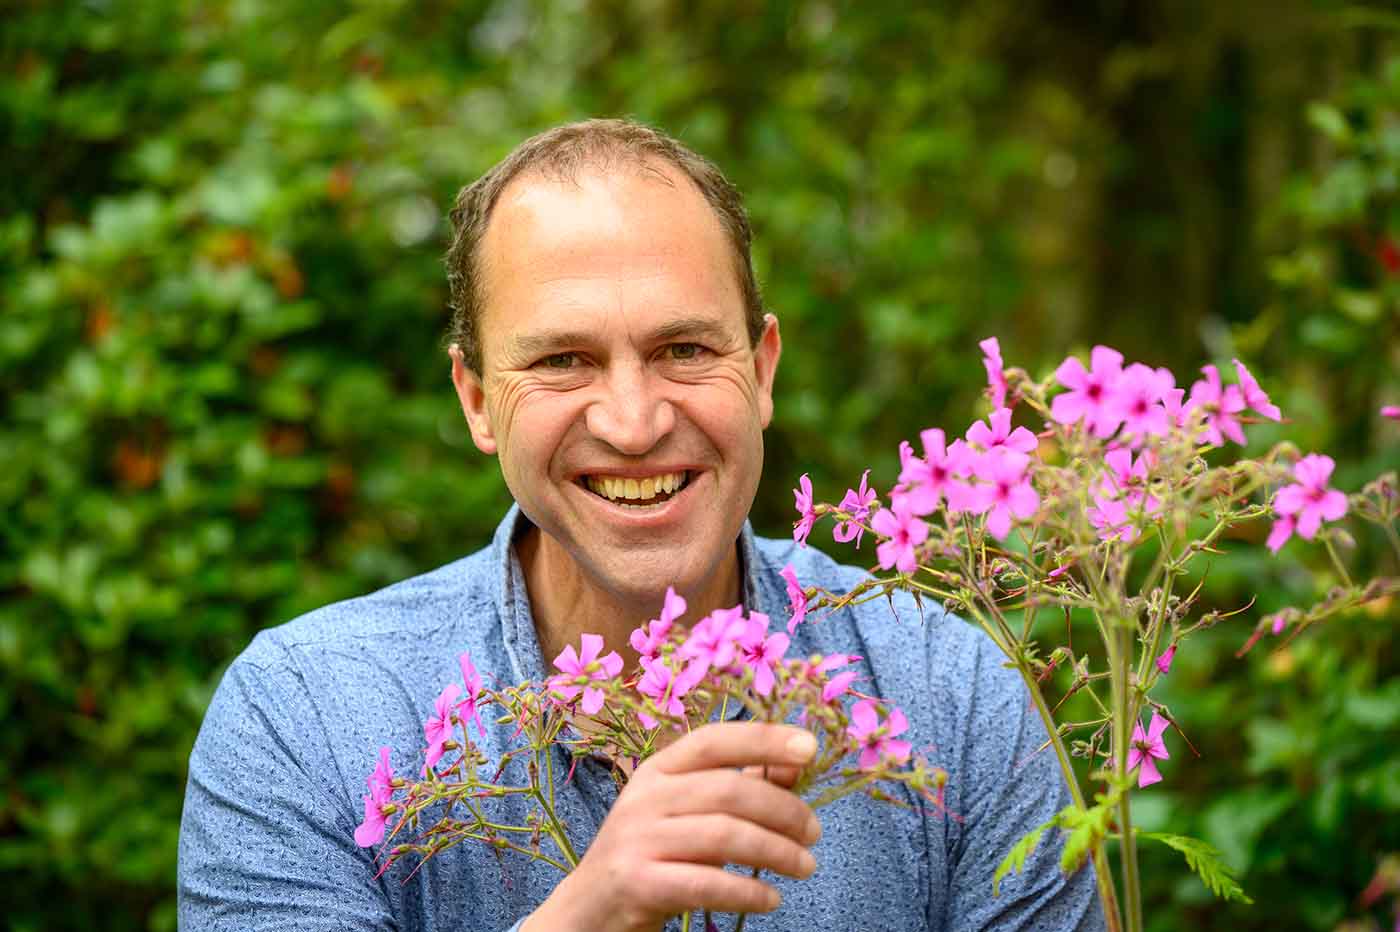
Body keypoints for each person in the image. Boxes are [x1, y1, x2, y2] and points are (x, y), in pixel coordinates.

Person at [177, 118, 1104, 931]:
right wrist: (592, 914)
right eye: (564, 360)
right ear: (477, 400)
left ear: (764, 368)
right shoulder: (304, 718)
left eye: (685, 349)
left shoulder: (951, 693)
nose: (634, 421)